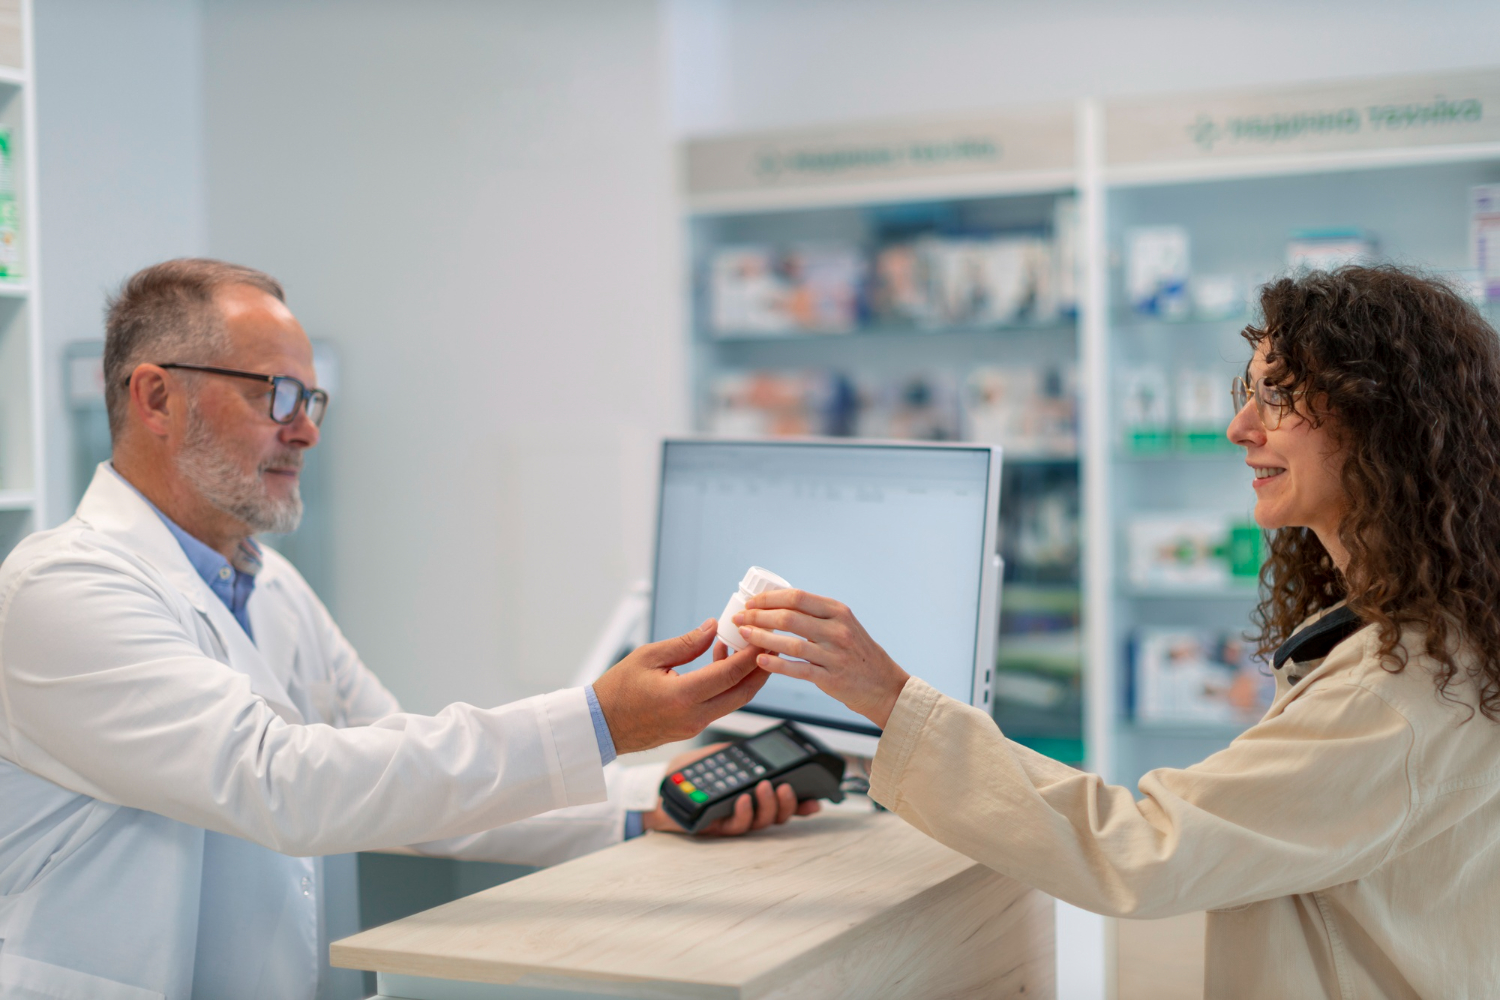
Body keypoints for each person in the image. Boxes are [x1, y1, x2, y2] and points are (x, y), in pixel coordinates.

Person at [0, 259, 814, 1000]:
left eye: (311, 400)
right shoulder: (60, 591)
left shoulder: (266, 582)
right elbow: (284, 783)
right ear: (156, 399)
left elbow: (398, 772)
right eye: (274, 393)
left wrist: (645, 806)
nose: (307, 429)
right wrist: (601, 722)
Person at [733, 265, 1500, 998]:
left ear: (1382, 421)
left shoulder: (1396, 695)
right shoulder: (1423, 636)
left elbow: (1139, 851)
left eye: (1277, 395)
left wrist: (890, 697)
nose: (1239, 428)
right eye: (1249, 392)